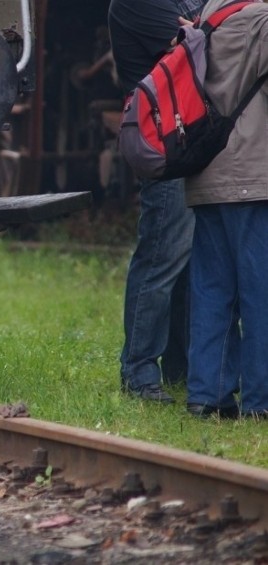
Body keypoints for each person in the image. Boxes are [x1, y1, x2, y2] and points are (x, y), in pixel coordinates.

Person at [108, 0, 206, 403]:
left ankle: (180, 365)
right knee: (162, 256)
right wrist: (204, 28)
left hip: (194, 134)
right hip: (165, 137)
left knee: (190, 260)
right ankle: (139, 369)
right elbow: (202, 46)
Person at [183, 0, 268, 419]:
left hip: (206, 171)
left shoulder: (208, 13)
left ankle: (207, 395)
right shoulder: (263, 19)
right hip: (253, 173)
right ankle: (261, 400)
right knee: (261, 292)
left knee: (212, 288)